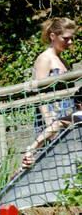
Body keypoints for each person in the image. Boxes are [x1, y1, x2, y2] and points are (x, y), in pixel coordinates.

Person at [22, 17, 78, 168]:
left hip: (66, 113)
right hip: (52, 116)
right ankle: (29, 152)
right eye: (66, 38)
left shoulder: (63, 61)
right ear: (53, 36)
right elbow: (40, 93)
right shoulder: (44, 59)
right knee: (45, 159)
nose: (70, 43)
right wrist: (49, 121)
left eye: (72, 39)